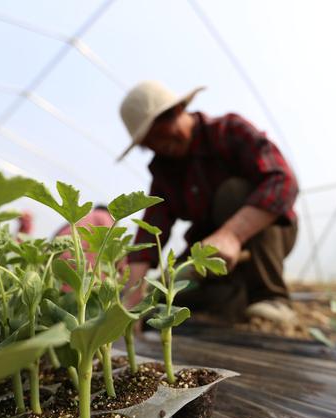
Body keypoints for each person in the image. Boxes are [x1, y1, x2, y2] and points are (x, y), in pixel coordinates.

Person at [119, 81, 299, 323]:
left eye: (160, 134)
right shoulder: (164, 169)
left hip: (267, 232)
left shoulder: (227, 131)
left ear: (178, 110)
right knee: (167, 290)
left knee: (233, 193)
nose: (160, 146)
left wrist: (232, 235)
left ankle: (272, 297)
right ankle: (232, 297)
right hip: (210, 248)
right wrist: (131, 299)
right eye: (149, 143)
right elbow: (151, 231)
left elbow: (282, 181)